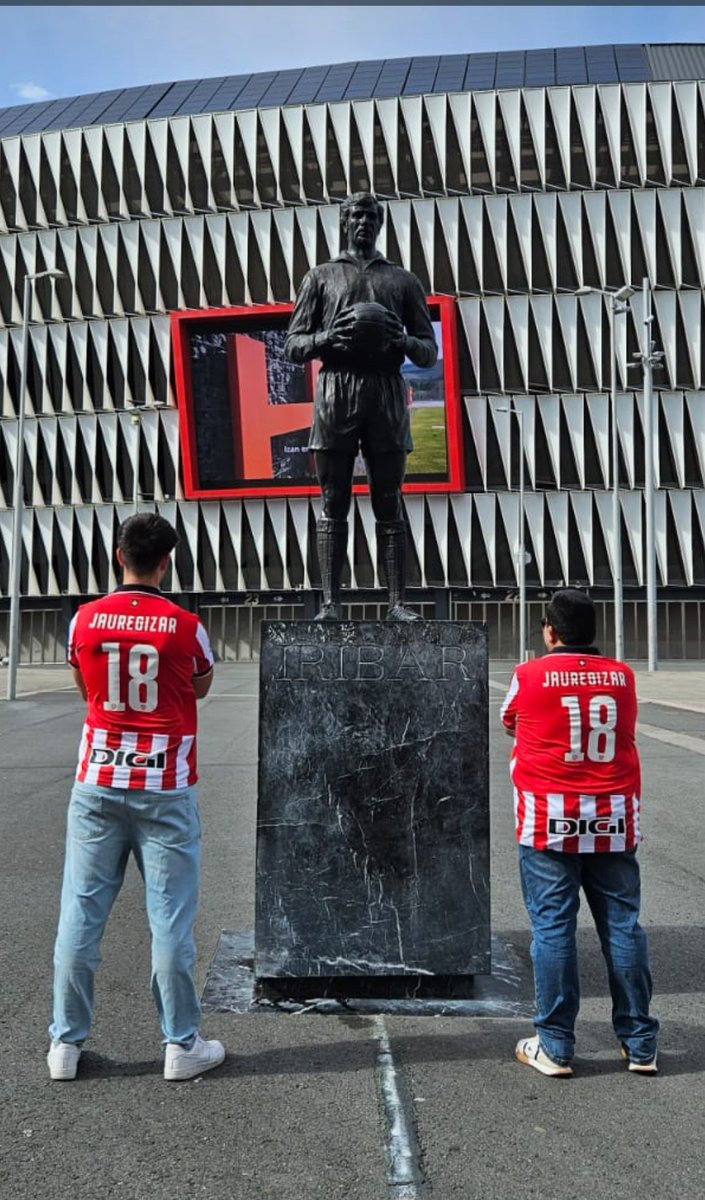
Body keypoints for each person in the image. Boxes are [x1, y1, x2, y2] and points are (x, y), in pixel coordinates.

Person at [47, 513, 225, 1082]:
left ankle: (65, 1045)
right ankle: (181, 1044)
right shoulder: (184, 625)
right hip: (165, 786)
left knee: (80, 912)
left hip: (98, 781)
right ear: (166, 562)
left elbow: (86, 687)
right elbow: (199, 684)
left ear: (118, 554)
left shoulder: (85, 621)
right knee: (170, 920)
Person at [500, 588, 659, 1077]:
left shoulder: (529, 674)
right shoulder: (623, 676)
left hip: (549, 820)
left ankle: (555, 1044)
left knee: (553, 929)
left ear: (550, 631)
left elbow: (511, 721)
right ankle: (639, 1043)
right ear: (595, 631)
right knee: (622, 927)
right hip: (612, 820)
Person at [284, 191, 437, 622]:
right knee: (333, 497)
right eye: (355, 215)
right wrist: (326, 339)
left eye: (370, 215)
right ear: (343, 222)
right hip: (336, 387)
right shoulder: (320, 277)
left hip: (385, 389)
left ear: (380, 223)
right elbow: (293, 345)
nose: (363, 222)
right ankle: (331, 604)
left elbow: (427, 349)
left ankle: (398, 604)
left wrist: (403, 341)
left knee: (390, 498)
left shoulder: (403, 281)